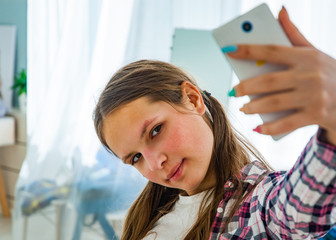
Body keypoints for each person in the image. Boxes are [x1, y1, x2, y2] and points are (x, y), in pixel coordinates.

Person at [93, 7, 336, 240]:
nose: (155, 164)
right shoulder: (143, 219)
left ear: (192, 98)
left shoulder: (255, 209)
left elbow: (300, 210)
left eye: (155, 131)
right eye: (136, 158)